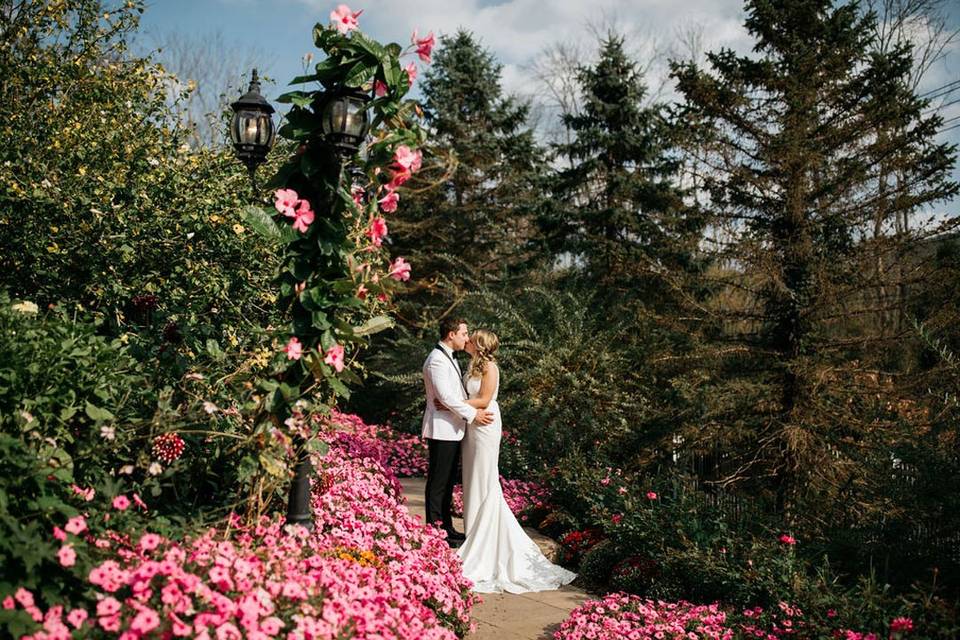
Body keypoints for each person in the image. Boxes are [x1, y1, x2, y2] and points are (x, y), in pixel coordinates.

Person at [440, 328, 577, 593]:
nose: (466, 340)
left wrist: (451, 404)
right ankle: (475, 532)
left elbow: (484, 399)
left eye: (471, 338)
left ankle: (486, 539)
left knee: (485, 477)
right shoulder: (471, 366)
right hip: (473, 423)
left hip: (485, 423)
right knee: (472, 478)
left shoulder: (490, 367)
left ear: (479, 345)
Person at [422, 318, 494, 546]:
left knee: (447, 482)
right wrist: (474, 415)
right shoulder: (436, 361)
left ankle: (446, 527)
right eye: (464, 333)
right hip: (442, 429)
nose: (467, 337)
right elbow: (446, 398)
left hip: (453, 429)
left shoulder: (447, 357)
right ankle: (435, 532)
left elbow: (454, 397)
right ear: (451, 334)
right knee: (438, 482)